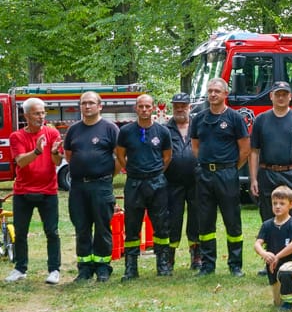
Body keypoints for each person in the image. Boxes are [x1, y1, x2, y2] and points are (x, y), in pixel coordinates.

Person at [190, 77, 251, 277]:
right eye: (210, 91)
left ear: (226, 94)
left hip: (227, 174)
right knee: (205, 221)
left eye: (217, 91)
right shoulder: (199, 118)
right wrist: (207, 166)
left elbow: (244, 150)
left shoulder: (234, 118)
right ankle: (208, 265)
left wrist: (231, 169)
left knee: (232, 220)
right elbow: (195, 146)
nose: (213, 94)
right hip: (205, 174)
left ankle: (235, 265)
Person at [5, 98, 64, 284]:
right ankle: (20, 268)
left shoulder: (52, 132)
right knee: (20, 232)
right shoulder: (17, 137)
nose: (41, 117)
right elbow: (21, 161)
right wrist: (37, 151)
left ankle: (54, 270)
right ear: (26, 116)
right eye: (37, 113)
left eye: (43, 113)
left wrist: (54, 152)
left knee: (52, 232)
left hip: (48, 191)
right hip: (23, 192)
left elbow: (57, 162)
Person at [115, 94, 172, 279]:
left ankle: (163, 264)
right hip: (134, 183)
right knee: (132, 225)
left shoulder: (162, 132)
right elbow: (121, 155)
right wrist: (132, 170)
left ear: (153, 108)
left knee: (161, 225)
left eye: (148, 106)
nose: (145, 110)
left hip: (157, 182)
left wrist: (155, 172)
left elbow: (167, 157)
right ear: (136, 108)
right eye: (141, 106)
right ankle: (131, 267)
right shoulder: (125, 131)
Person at [64, 91, 119, 283]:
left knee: (103, 227)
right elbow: (69, 156)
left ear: (100, 106)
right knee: (82, 228)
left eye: (91, 103)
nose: (87, 106)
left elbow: (119, 158)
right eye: (83, 103)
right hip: (78, 187)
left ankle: (103, 267)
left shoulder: (110, 129)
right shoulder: (73, 130)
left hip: (101, 186)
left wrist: (105, 177)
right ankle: (85, 268)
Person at [249, 81, 292, 224]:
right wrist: (253, 179)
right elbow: (254, 151)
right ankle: (270, 245)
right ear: (271, 96)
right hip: (267, 175)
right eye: (277, 94)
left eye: (284, 94)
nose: (281, 98)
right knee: (267, 217)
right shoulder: (260, 120)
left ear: (290, 96)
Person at [164, 92, 201, 270]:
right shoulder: (165, 128)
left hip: (196, 182)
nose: (180, 108)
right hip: (172, 182)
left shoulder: (198, 125)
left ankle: (196, 255)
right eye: (176, 105)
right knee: (173, 219)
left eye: (183, 105)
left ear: (189, 107)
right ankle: (169, 257)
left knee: (197, 218)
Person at [253, 185, 292, 310]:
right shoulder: (267, 225)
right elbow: (257, 244)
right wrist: (264, 254)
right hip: (272, 266)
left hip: (290, 262)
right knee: (277, 302)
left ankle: (289, 302)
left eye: (282, 203)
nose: (277, 206)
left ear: (291, 205)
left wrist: (278, 256)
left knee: (286, 272)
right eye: (275, 203)